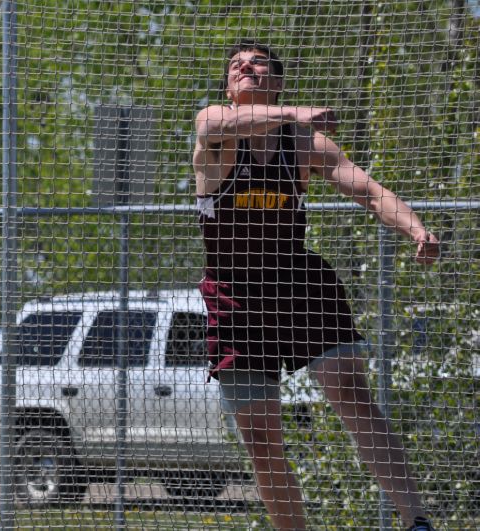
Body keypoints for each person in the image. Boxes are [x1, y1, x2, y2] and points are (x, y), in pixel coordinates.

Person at [193, 41, 440, 530]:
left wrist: (415, 229)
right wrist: (296, 112)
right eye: (236, 65)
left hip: (299, 279)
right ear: (227, 85)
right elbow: (214, 125)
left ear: (276, 79)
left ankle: (417, 522)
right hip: (236, 294)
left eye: (257, 63)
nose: (245, 67)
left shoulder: (302, 145)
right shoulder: (214, 128)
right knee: (262, 438)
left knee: (351, 391)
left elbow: (367, 190)